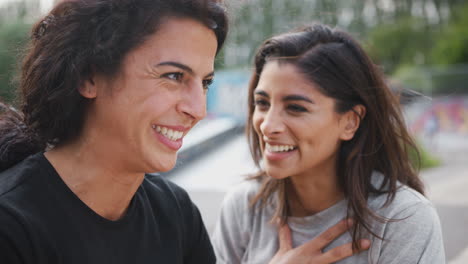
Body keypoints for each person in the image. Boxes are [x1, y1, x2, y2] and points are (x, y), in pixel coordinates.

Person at [0, 1, 366, 263]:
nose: (198, 110)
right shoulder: (13, 227)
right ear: (88, 76)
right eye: (174, 76)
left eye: (204, 82)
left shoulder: (174, 213)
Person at [212, 24, 445, 264]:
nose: (267, 126)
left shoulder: (403, 218)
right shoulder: (245, 207)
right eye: (262, 103)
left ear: (350, 122)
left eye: (295, 108)